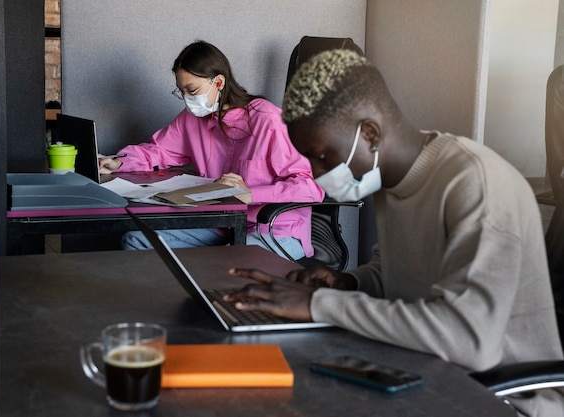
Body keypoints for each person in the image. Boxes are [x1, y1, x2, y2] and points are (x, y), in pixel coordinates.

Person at [223, 49, 564, 416]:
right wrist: (346, 283)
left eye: (321, 154)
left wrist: (316, 305)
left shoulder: (475, 183)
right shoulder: (389, 182)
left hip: (500, 398)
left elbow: (471, 341)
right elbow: (402, 280)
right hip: (424, 372)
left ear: (369, 133)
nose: (318, 173)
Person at [99, 41, 324, 258]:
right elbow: (160, 150)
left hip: (274, 229)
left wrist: (250, 195)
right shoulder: (192, 119)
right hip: (222, 223)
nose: (187, 99)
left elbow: (310, 188)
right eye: (181, 92)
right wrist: (120, 161)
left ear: (218, 82)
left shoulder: (269, 120)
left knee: (224, 264)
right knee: (138, 240)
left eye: (192, 90)